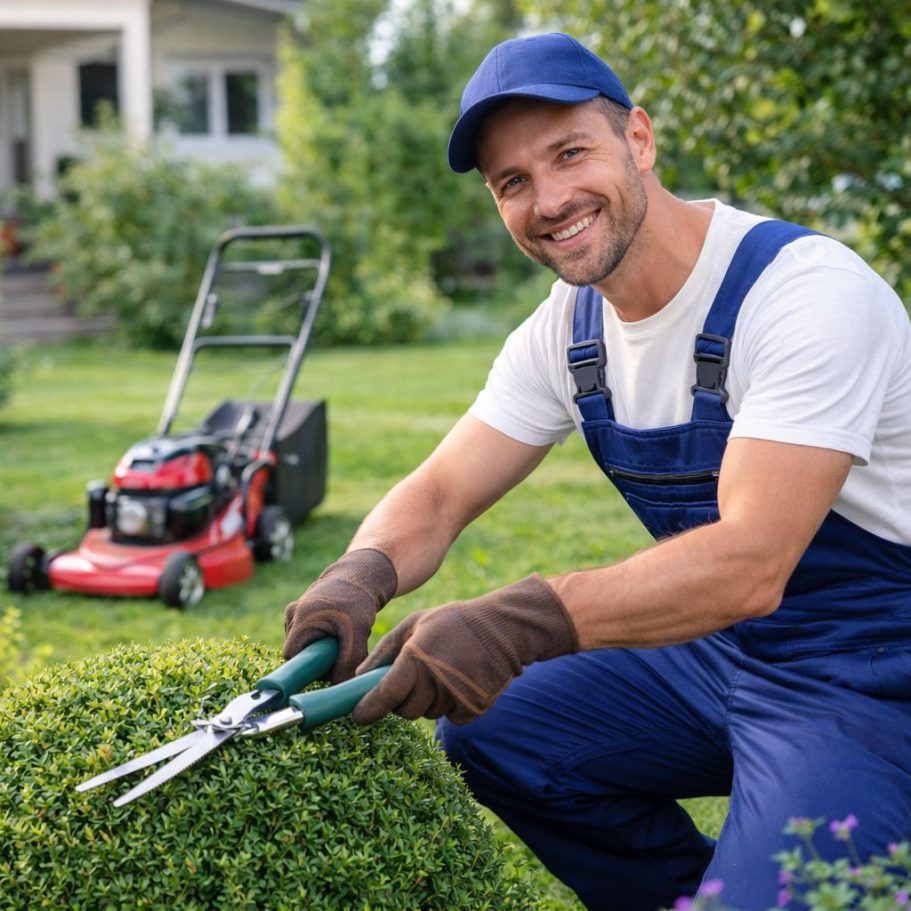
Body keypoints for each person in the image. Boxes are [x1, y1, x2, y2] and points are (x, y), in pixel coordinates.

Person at [282, 32, 911, 911]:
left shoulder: (802, 296)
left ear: (639, 141)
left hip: (871, 669)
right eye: (511, 182)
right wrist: (358, 574)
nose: (548, 199)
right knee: (494, 728)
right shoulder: (569, 330)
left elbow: (750, 561)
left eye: (568, 153)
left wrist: (515, 622)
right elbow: (439, 491)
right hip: (723, 653)